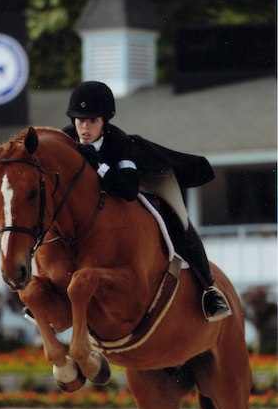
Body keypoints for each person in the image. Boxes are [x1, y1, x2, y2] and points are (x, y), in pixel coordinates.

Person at [63, 81, 232, 322]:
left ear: (105, 120)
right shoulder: (66, 139)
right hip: (114, 180)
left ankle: (209, 290)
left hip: (151, 176)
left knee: (179, 218)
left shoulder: (120, 143)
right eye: (80, 120)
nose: (85, 127)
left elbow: (128, 190)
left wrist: (98, 164)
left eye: (93, 121)